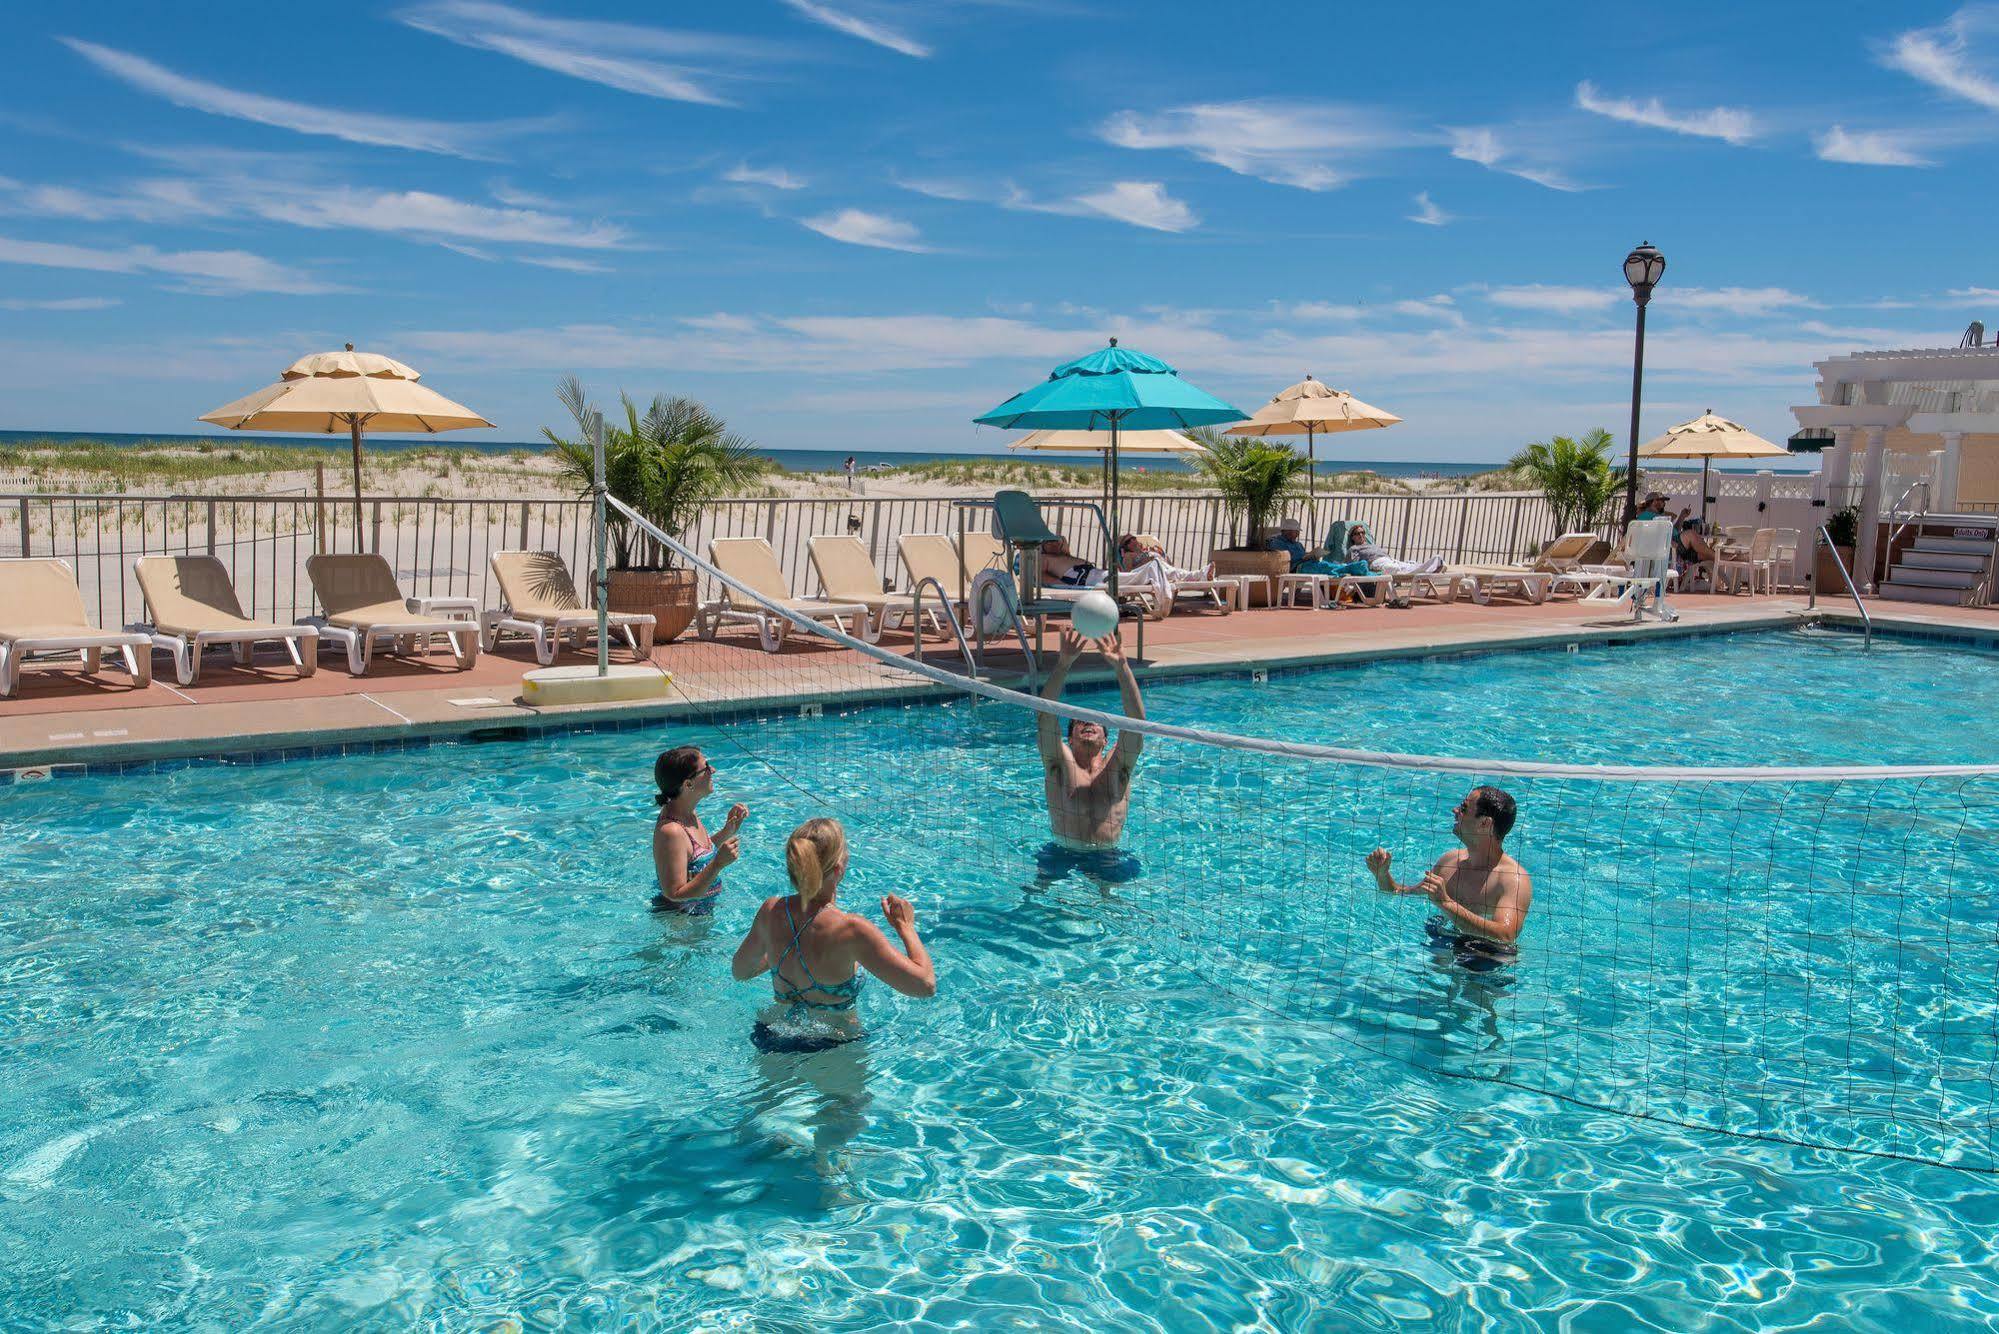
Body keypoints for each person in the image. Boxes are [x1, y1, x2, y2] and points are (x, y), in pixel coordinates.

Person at [731, 818, 936, 1051]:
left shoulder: (771, 910)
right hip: (831, 1045)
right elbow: (925, 986)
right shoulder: (851, 930)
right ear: (838, 869)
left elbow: (740, 972)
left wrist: (781, 954)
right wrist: (906, 928)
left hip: (771, 1034)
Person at [1364, 786, 1533, 972]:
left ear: (1484, 823)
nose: (1455, 811)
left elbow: (1505, 935)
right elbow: (1399, 892)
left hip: (1489, 957)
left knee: (1474, 996)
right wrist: (1382, 875)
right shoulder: (1449, 862)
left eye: (1464, 808)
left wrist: (1446, 903)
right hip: (1446, 940)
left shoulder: (1512, 879)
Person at [1037, 628, 1144, 856]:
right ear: (1069, 738)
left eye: (1095, 722)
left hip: (1108, 856)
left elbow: (1136, 724)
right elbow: (1045, 716)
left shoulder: (1119, 765)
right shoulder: (1059, 763)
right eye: (1078, 721)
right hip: (1061, 854)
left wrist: (1122, 666)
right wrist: (1063, 664)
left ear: (1106, 740)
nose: (1087, 723)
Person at [652, 746, 747, 915]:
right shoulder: (671, 831)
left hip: (698, 914)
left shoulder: (686, 811)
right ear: (688, 784)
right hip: (681, 924)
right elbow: (674, 894)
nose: (713, 770)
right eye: (707, 768)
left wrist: (727, 831)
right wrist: (718, 864)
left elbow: (694, 855)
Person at [1347, 522, 1446, 576]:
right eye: (1357, 533)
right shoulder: (1354, 548)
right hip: (1377, 563)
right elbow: (1353, 564)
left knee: (1410, 566)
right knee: (1396, 569)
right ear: (1352, 537)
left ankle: (1435, 564)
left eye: (1363, 532)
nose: (1361, 535)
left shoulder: (1372, 545)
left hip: (1391, 560)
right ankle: (1431, 569)